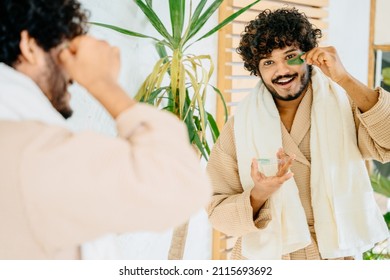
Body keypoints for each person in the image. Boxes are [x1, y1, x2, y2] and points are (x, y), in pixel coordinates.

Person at [0, 0, 211, 259]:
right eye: (67, 50)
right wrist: (103, 83)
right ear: (30, 47)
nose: (73, 74)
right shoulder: (31, 155)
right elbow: (182, 186)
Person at [206, 7, 390, 260]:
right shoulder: (239, 127)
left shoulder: (344, 106)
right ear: (257, 70)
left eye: (290, 56)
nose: (281, 70)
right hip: (266, 256)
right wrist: (260, 191)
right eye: (268, 62)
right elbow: (217, 213)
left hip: (333, 252)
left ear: (309, 56)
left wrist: (344, 78)